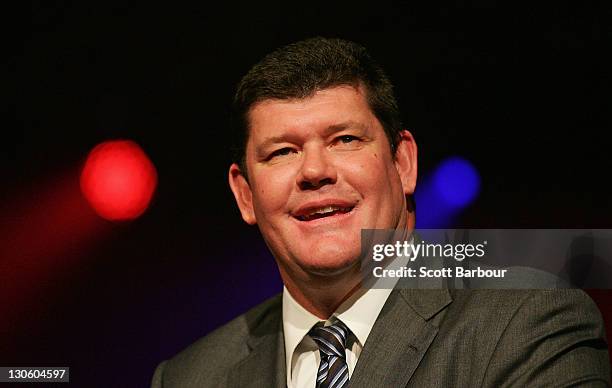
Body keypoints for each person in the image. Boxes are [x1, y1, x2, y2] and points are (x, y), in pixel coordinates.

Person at [152, 37, 610, 387]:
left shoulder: (526, 320)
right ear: (245, 194)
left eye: (345, 140)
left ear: (403, 163)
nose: (314, 170)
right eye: (282, 152)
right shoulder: (188, 377)